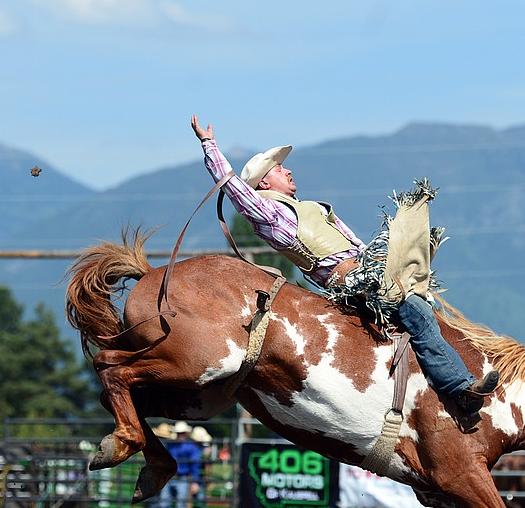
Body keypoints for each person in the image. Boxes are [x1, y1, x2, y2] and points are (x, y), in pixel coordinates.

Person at [190, 115, 498, 418]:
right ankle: (460, 388)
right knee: (416, 312)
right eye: (280, 168)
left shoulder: (310, 208)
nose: (289, 170)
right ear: (264, 182)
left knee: (421, 305)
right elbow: (234, 189)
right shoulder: (270, 214)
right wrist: (209, 145)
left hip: (368, 271)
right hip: (350, 282)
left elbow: (355, 245)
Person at [162, 421, 205, 508]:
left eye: (181, 433)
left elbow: (195, 466)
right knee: (164, 505)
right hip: (170, 478)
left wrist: (195, 482)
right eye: (178, 433)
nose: (180, 435)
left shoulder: (190, 447)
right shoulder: (171, 446)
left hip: (183, 478)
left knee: (181, 506)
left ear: (185, 433)